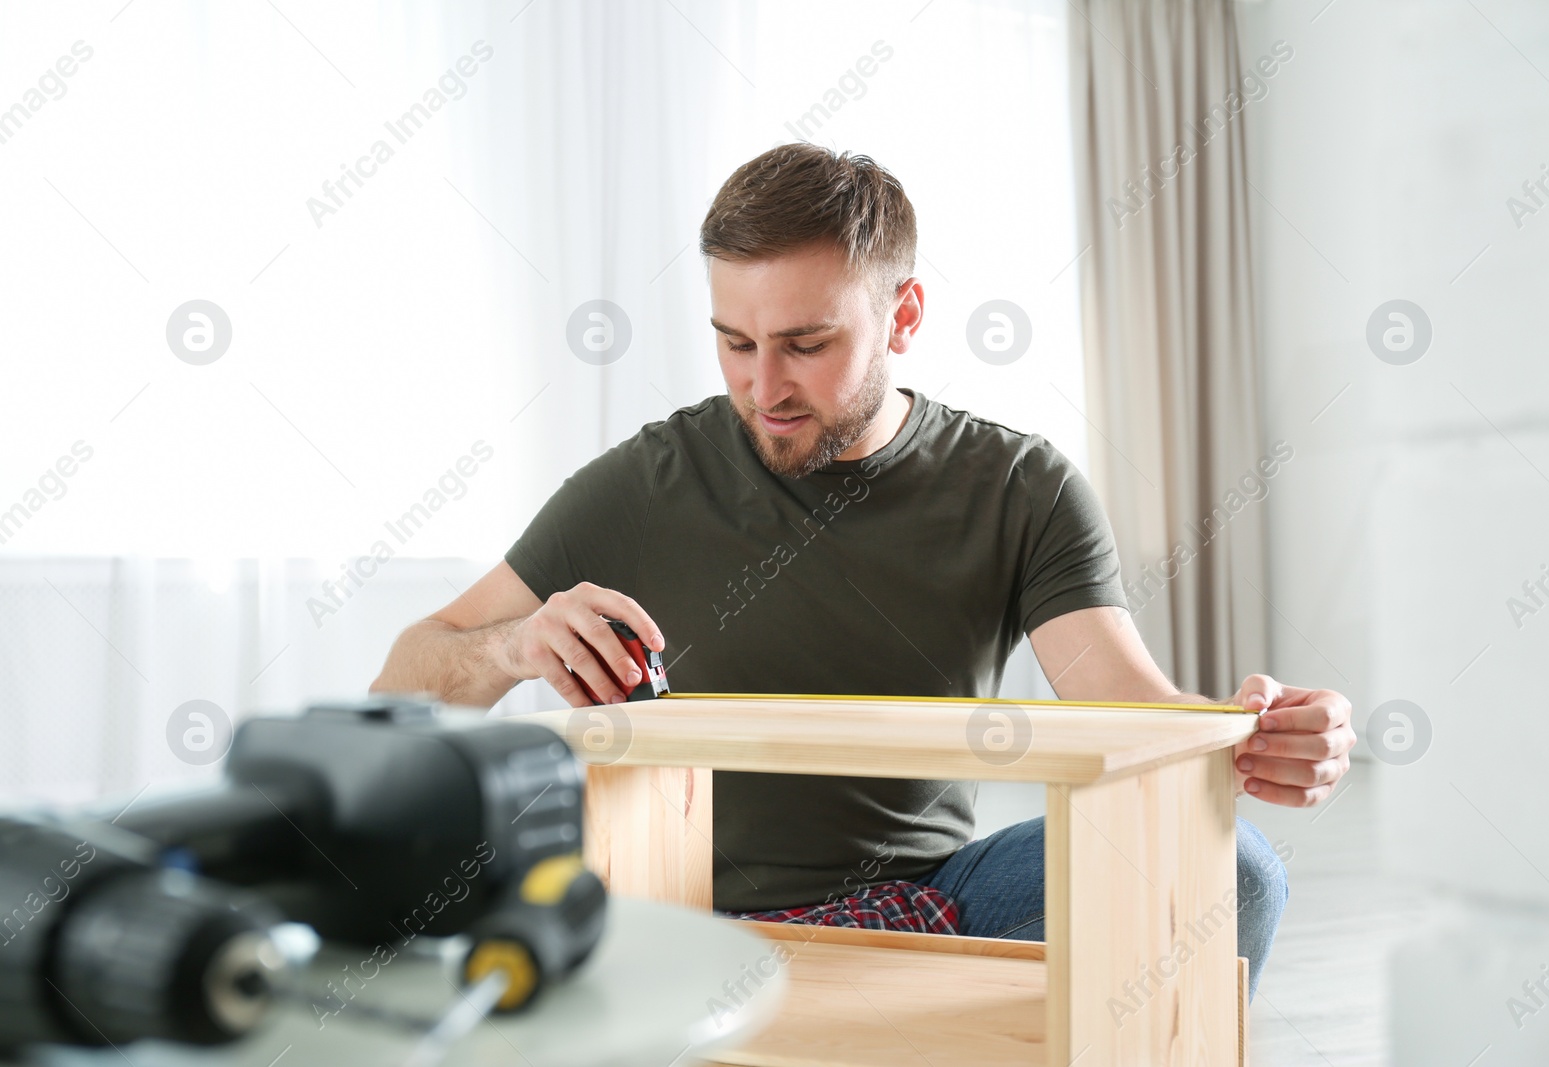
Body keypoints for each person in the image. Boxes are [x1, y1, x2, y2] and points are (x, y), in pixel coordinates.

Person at [371, 143, 1355, 999]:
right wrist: (515, 641)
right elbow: (404, 681)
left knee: (1232, 868)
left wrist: (1251, 734)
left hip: (934, 898)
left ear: (905, 312)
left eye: (806, 344)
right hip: (691, 914)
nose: (764, 387)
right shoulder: (640, 483)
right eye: (734, 342)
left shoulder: (1020, 486)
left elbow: (1132, 711)